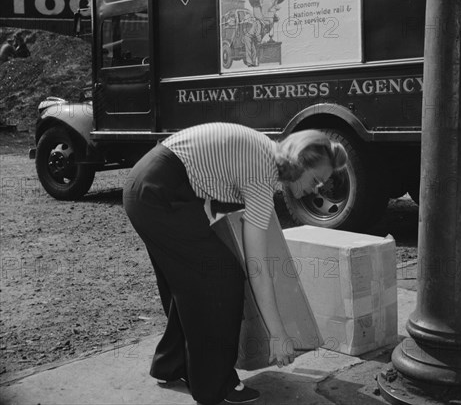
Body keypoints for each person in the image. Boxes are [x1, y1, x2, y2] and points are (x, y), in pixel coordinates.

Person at [123, 123, 347, 405]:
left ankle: (172, 365)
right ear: (300, 162)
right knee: (221, 279)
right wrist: (277, 334)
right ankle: (214, 386)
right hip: (160, 191)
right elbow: (257, 266)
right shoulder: (262, 172)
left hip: (152, 184)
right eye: (316, 179)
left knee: (189, 281)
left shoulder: (266, 155)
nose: (316, 188)